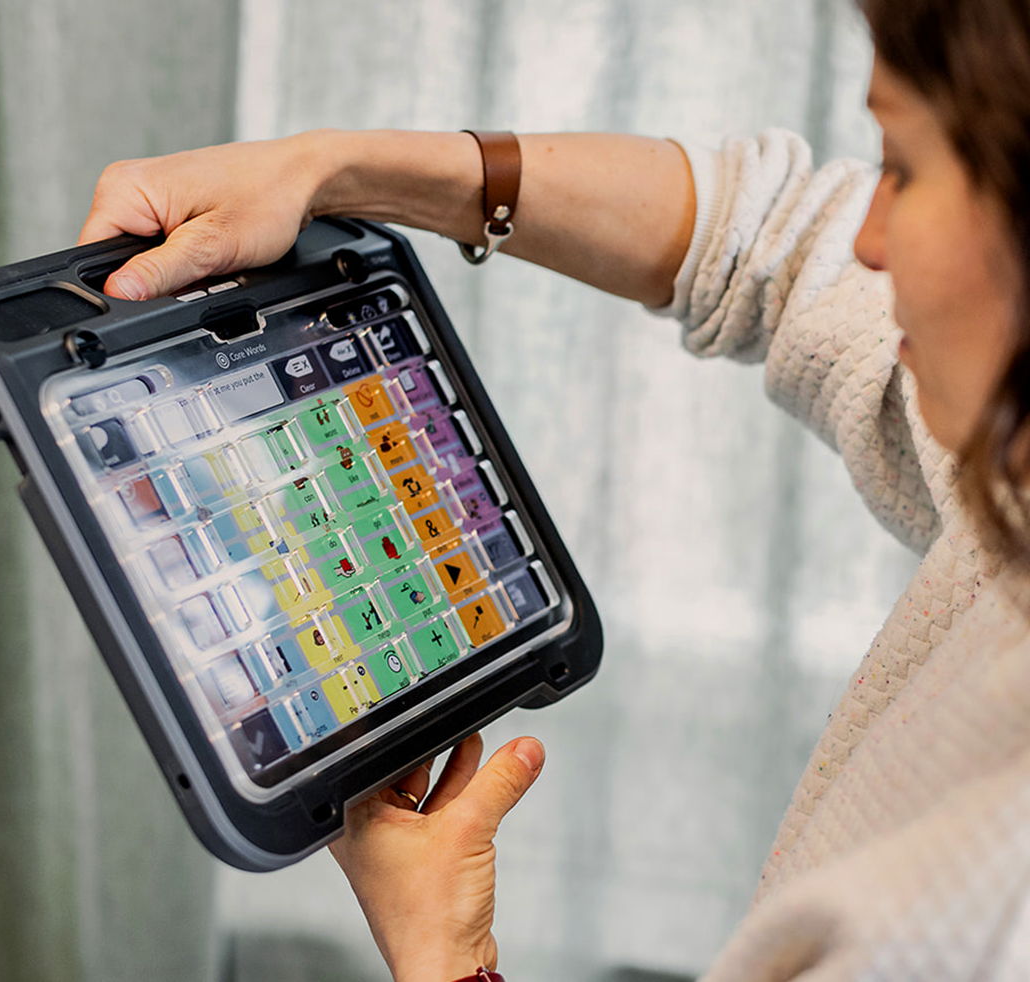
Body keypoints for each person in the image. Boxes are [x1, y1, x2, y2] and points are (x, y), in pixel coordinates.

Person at [79, 0, 1030, 977]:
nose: (870, 241)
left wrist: (442, 953)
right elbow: (774, 242)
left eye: (906, 171)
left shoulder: (977, 907)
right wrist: (324, 168)